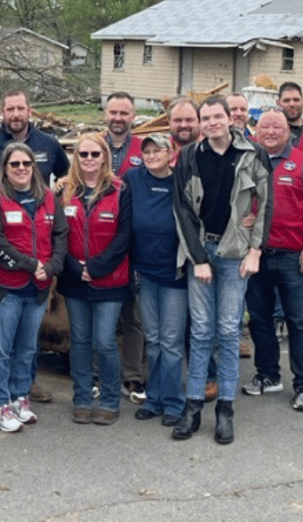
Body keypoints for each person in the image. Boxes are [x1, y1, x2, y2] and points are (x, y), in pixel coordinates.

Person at [170, 96, 269, 444]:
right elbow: (181, 209)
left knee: (227, 331)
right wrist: (197, 258)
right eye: (205, 117)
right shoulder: (188, 157)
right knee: (200, 332)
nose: (212, 122)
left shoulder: (253, 155)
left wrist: (255, 250)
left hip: (234, 253)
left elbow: (266, 204)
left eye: (217, 116)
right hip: (201, 250)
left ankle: (225, 408)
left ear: (231, 119)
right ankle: (193, 406)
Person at [0, 90, 69, 405]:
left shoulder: (49, 145)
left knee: (28, 332)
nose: (15, 114)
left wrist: (49, 259)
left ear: (30, 110)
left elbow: (67, 177)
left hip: (37, 252)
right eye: (9, 108)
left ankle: (25, 383)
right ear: (2, 112)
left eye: (20, 108)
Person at [242, 109, 303, 412]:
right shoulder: (247, 162)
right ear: (255, 131)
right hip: (256, 255)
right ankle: (267, 375)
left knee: (299, 321)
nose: (269, 132)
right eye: (263, 126)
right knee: (260, 319)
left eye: (276, 127)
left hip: (294, 256)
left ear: (287, 131)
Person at [0, 142, 67, 432]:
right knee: (1, 349)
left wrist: (53, 265)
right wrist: (31, 265)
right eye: (14, 164)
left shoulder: (48, 198)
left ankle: (20, 398)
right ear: (5, 169)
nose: (21, 169)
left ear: (34, 167)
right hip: (7, 288)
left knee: (27, 349)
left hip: (39, 288)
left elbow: (60, 235)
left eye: (26, 164)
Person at [59, 134, 132, 425]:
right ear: (75, 158)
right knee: (79, 339)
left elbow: (125, 234)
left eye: (94, 154)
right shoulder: (64, 192)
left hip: (110, 278)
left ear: (104, 157)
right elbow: (57, 235)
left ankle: (111, 399)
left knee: (104, 341)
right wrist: (76, 269)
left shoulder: (120, 190)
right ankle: (82, 397)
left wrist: (97, 267)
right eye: (83, 155)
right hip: (74, 277)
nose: (89, 160)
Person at [123, 134, 185, 425]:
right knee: (155, 340)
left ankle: (174, 401)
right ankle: (155, 396)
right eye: (146, 151)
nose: (151, 155)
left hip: (175, 273)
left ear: (170, 152)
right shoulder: (133, 179)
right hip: (144, 272)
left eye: (157, 149)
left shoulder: (182, 180)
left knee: (172, 341)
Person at [102, 92, 145, 403]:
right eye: (113, 112)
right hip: (99, 242)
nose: (118, 118)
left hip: (137, 243)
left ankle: (132, 374)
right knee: (97, 313)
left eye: (124, 113)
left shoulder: (145, 149)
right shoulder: (91, 146)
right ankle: (95, 373)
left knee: (134, 315)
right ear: (106, 114)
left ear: (133, 116)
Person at [166, 97, 201, 162]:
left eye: (189, 120)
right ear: (169, 122)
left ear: (199, 121)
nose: (183, 125)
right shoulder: (158, 153)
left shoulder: (210, 153)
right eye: (178, 120)